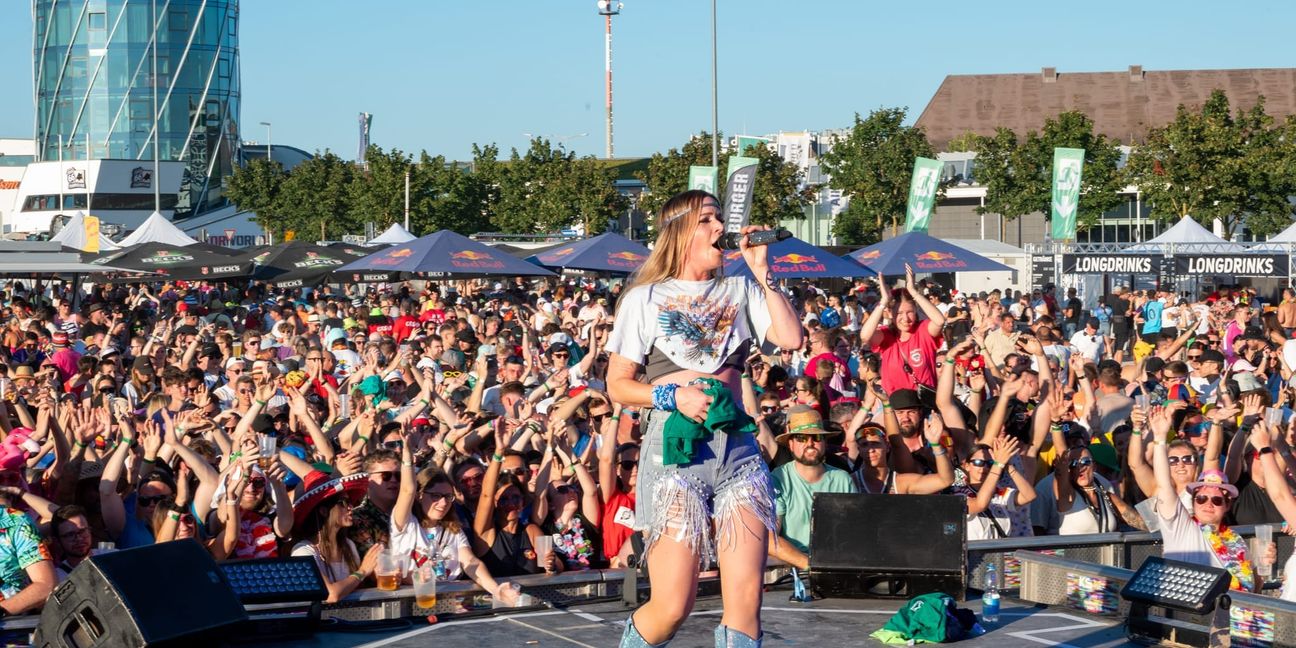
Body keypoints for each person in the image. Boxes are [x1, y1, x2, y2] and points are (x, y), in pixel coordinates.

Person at [604, 190, 802, 647]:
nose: (720, 229)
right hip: (676, 458)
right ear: (680, 231)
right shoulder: (644, 298)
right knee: (674, 605)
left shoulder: (741, 289)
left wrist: (762, 272)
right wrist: (673, 395)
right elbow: (618, 385)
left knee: (746, 601)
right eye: (708, 220)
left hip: (737, 453)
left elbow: (789, 338)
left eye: (719, 219)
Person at [1149, 406, 1273, 593]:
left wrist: (1264, 565)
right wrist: (1159, 438)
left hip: (1233, 615)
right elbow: (1165, 484)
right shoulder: (1181, 528)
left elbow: (1253, 590)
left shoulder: (1236, 540)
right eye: (1201, 499)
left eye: (1216, 500)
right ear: (1193, 501)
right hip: (1195, 618)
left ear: (1226, 505)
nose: (1208, 504)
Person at [766, 406, 856, 570]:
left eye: (816, 437)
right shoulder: (778, 478)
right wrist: (810, 564)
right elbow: (769, 538)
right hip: (792, 567)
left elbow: (853, 531)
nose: (810, 443)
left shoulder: (842, 478)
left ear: (824, 443)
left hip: (837, 564)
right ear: (791, 444)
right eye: (801, 438)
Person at [289, 470, 384, 603]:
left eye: (350, 502)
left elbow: (354, 586)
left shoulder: (348, 545)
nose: (351, 507)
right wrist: (362, 571)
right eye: (343, 502)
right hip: (319, 622)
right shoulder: (303, 551)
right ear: (323, 511)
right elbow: (330, 595)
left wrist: (378, 573)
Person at [859, 266, 946, 395]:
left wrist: (914, 292)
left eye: (910, 312)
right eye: (899, 313)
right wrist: (883, 302)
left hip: (922, 405)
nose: (905, 318)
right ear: (889, 313)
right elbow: (865, 336)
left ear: (916, 311)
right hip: (896, 406)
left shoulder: (923, 330)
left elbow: (940, 321)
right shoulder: (886, 336)